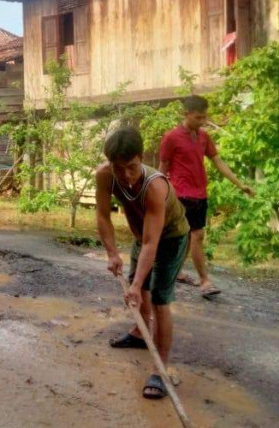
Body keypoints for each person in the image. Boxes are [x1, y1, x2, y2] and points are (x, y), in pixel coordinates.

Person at [96, 127, 189, 400]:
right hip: (142, 236)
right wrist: (112, 253)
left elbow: (153, 243)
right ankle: (140, 332)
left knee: (158, 299)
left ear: (141, 157)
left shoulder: (155, 186)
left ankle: (160, 370)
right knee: (142, 291)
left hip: (171, 238)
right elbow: (103, 216)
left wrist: (134, 285)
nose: (126, 175)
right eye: (118, 167)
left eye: (132, 166)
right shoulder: (105, 175)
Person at [159, 95, 254, 298]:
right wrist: (158, 193)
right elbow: (162, 168)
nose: (202, 122)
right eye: (198, 118)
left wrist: (240, 184)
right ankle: (205, 281)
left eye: (204, 118)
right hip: (179, 195)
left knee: (184, 238)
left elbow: (218, 162)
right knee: (197, 235)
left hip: (200, 194)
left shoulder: (204, 137)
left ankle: (173, 272)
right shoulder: (171, 138)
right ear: (185, 114)